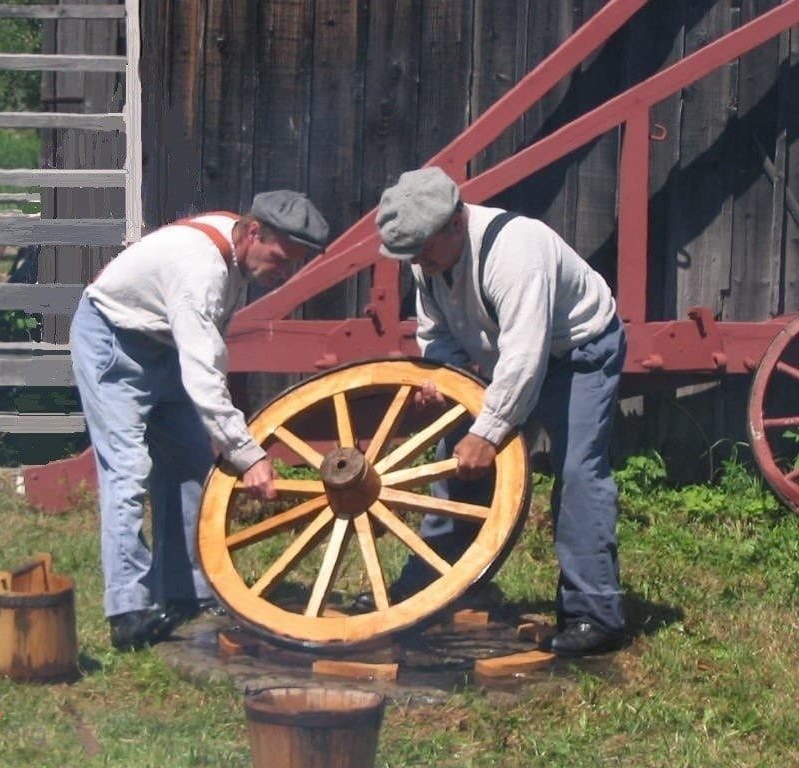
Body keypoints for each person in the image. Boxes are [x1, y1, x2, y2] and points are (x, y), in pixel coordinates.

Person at [372, 166, 627, 657]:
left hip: (579, 352)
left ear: (454, 223)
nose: (418, 260)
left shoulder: (517, 253)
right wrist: (440, 377)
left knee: (577, 472)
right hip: (508, 358)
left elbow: (525, 357)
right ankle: (435, 586)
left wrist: (488, 432)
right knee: (457, 464)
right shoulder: (426, 255)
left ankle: (595, 615)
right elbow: (437, 334)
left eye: (422, 247)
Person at [70, 191, 329, 650]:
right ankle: (128, 610)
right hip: (114, 339)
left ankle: (186, 591)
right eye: (281, 259)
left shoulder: (234, 248)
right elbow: (204, 376)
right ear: (254, 232)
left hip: (164, 345)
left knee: (191, 469)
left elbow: (207, 352)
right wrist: (248, 454)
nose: (284, 272)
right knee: (128, 471)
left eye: (294, 264)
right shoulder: (201, 269)